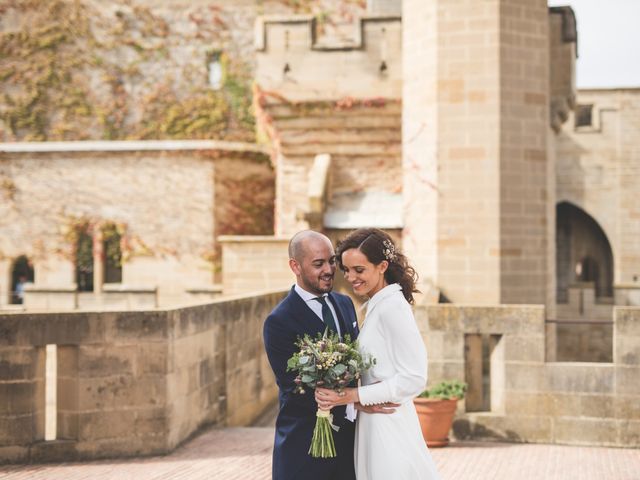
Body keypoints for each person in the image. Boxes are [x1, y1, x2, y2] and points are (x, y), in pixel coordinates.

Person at [263, 230, 397, 480]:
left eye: (331, 261)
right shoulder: (279, 321)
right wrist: (354, 401)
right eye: (318, 264)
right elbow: (294, 389)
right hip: (303, 448)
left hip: (349, 445)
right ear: (295, 266)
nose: (329, 269)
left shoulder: (344, 303)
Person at [315, 228, 441, 480]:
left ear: (382, 266)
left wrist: (351, 395)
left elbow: (414, 377)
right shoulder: (376, 305)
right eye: (347, 270)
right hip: (373, 421)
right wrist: (358, 401)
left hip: (389, 426)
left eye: (359, 270)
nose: (350, 277)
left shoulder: (393, 307)